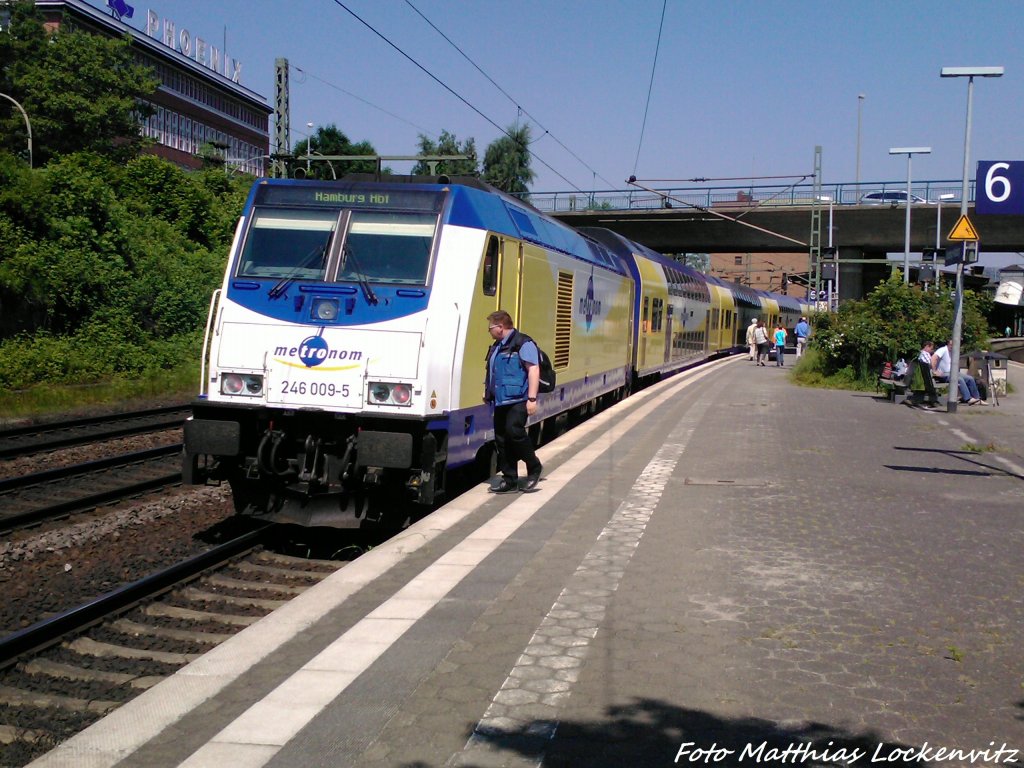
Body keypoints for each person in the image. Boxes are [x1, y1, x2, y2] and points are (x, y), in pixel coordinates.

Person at [483, 310, 543, 493]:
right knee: (501, 439)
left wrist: (532, 399)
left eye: (490, 328)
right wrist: (488, 393)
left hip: (519, 399)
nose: (489, 331)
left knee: (514, 431)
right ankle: (510, 480)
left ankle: (534, 467)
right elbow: (492, 372)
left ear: (500, 327)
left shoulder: (523, 343)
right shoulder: (497, 346)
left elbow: (533, 369)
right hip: (501, 400)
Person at [931, 338, 985, 405]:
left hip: (953, 373)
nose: (952, 346)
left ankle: (977, 398)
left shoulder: (953, 352)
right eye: (951, 345)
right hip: (944, 374)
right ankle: (968, 398)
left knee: (970, 378)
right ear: (948, 344)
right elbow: (934, 358)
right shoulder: (942, 350)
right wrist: (934, 371)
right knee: (959, 379)